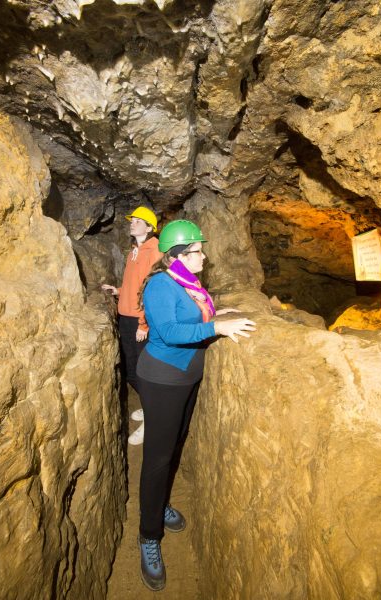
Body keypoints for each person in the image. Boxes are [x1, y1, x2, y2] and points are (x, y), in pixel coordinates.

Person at [136, 219, 256, 591]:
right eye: (196, 251)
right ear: (176, 256)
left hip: (186, 377)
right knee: (157, 459)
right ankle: (148, 535)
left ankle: (161, 503)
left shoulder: (188, 283)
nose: (203, 256)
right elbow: (169, 332)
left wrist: (218, 316)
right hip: (162, 378)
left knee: (173, 447)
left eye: (201, 250)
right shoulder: (160, 284)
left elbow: (198, 315)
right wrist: (215, 329)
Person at [102, 206, 162, 445]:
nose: (132, 223)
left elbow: (152, 290)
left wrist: (144, 324)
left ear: (149, 227)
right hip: (126, 318)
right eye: (132, 220)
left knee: (142, 372)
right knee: (130, 369)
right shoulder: (134, 251)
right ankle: (149, 408)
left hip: (140, 321)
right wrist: (118, 291)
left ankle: (153, 417)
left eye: (138, 221)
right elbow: (134, 284)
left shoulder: (154, 250)